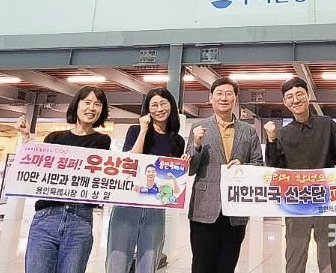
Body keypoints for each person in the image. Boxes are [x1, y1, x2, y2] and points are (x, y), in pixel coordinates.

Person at [16, 86, 111, 273]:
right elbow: (38, 167)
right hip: (46, 216)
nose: (92, 108)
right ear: (77, 105)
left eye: (98, 104)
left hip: (79, 218)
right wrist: (25, 137)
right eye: (87, 102)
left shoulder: (102, 141)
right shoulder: (54, 137)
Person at [264, 77, 336, 273]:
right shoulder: (282, 134)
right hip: (295, 204)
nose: (295, 100)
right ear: (285, 102)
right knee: (295, 257)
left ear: (308, 95)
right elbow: (275, 169)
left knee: (329, 258)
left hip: (327, 204)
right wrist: (271, 140)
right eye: (290, 97)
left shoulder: (328, 125)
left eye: (299, 94)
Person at [186, 77, 264, 273]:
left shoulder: (249, 131)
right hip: (204, 209)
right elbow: (190, 169)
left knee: (227, 265)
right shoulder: (199, 128)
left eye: (229, 94)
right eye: (219, 93)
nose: (224, 98)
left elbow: (259, 166)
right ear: (210, 98)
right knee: (201, 266)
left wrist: (243, 167)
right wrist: (196, 145)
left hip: (236, 210)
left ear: (235, 98)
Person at [107, 87, 188, 273]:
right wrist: (143, 130)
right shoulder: (135, 130)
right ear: (147, 109)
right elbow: (130, 160)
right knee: (117, 260)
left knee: (149, 261)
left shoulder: (177, 140)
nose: (159, 109)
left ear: (171, 106)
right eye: (154, 105)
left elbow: (174, 176)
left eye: (163, 104)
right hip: (128, 204)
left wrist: (183, 164)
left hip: (155, 208)